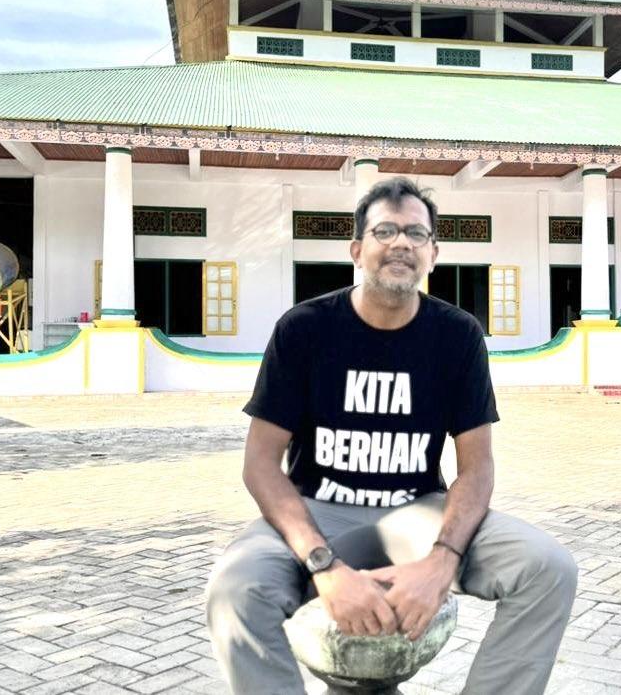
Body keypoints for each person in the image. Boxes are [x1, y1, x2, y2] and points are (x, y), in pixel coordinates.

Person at [206, 177, 577, 695]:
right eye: (385, 230)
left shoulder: (457, 335)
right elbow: (261, 464)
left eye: (416, 234)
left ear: (433, 254)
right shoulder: (304, 328)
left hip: (418, 513)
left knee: (548, 567)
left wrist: (442, 560)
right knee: (234, 590)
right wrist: (324, 566)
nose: (402, 242)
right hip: (318, 509)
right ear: (357, 250)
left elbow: (476, 467)